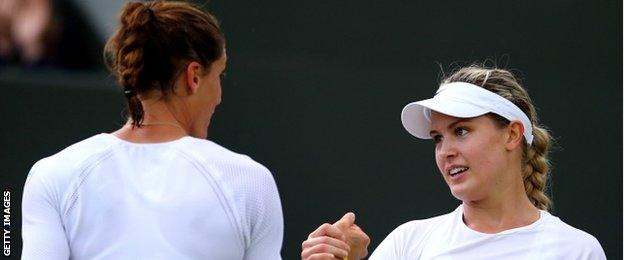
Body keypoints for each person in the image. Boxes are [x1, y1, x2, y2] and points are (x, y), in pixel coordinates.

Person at [21, 1, 283, 259]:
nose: (219, 96)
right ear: (193, 77)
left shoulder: (53, 175)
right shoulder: (249, 182)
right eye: (219, 76)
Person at [301, 65, 606, 260]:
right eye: (437, 138)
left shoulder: (577, 250)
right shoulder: (409, 242)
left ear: (512, 135)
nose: (445, 150)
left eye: (461, 131)